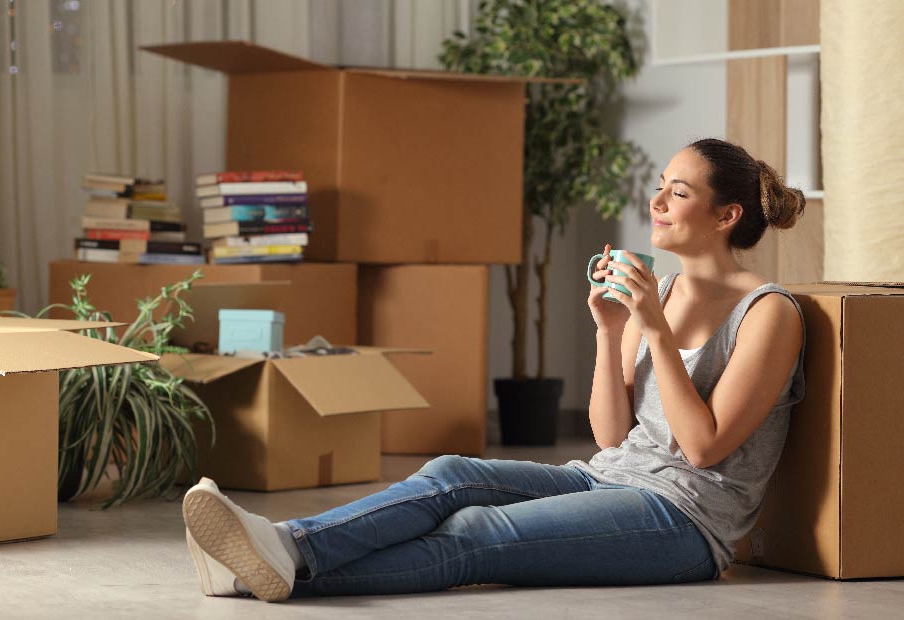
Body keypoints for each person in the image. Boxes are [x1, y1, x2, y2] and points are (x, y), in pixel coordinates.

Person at [181, 137, 807, 602]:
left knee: (477, 532)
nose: (657, 201)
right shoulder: (662, 293)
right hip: (609, 478)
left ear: (726, 217)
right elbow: (611, 437)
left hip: (686, 522)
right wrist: (609, 330)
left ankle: (254, 570)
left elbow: (701, 447)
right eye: (661, 184)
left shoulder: (768, 313)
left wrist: (653, 330)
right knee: (453, 474)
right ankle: (281, 547)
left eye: (680, 191)